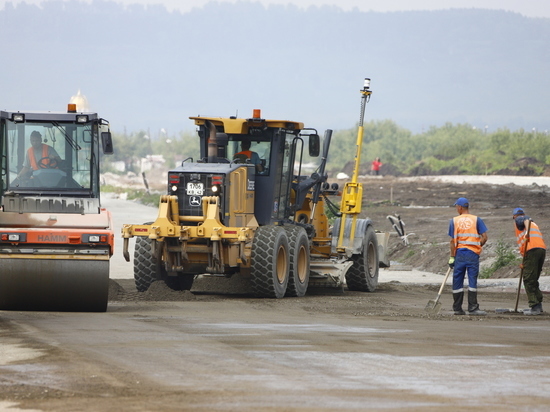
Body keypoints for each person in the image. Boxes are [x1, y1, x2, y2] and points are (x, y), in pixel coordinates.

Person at [448, 197, 488, 315]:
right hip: (472, 254)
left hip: (460, 253)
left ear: (460, 207)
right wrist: (477, 245)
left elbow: (452, 241)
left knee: (457, 280)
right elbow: (485, 237)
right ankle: (473, 308)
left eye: (456, 207)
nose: (456, 209)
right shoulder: (477, 220)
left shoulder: (454, 221)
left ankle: (457, 309)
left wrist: (452, 257)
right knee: (472, 280)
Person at [512, 207, 546, 316]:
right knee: (533, 278)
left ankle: (534, 306)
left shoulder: (521, 219)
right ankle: (538, 304)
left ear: (514, 216)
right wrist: (525, 261)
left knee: (528, 279)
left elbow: (525, 219)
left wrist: (527, 233)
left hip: (532, 250)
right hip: (540, 250)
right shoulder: (533, 224)